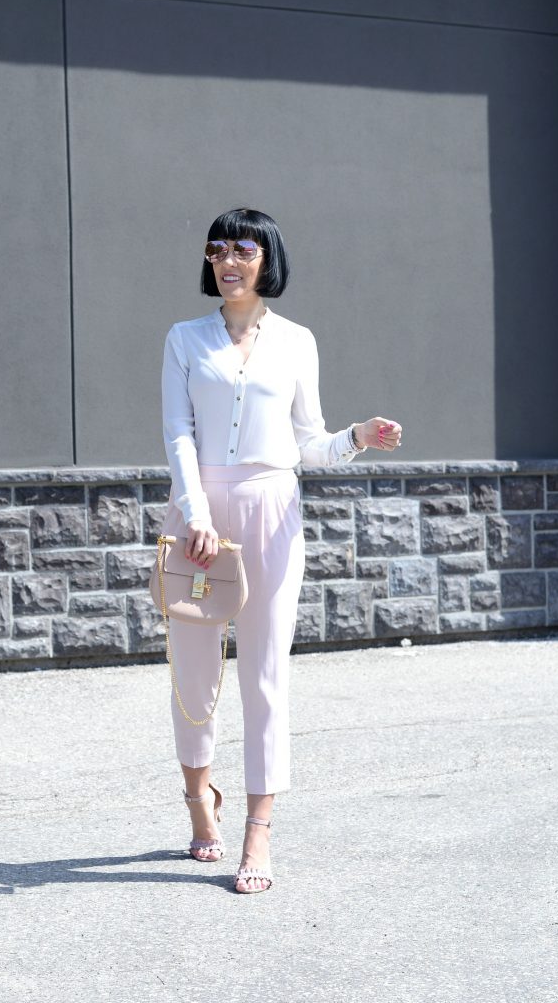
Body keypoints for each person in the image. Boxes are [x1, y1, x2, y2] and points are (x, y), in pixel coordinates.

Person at [160, 207, 402, 894]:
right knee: (193, 676)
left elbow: (308, 443)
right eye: (216, 250)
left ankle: (257, 832)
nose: (227, 262)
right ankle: (197, 801)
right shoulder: (183, 339)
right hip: (197, 515)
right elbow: (178, 435)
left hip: (271, 512)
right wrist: (196, 513)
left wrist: (356, 436)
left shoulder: (297, 341)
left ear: (266, 259)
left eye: (241, 249)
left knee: (264, 674)